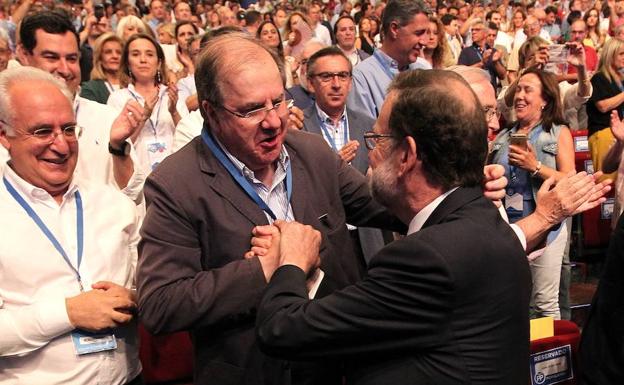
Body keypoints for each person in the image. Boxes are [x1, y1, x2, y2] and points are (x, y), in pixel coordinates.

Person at [255, 69, 533, 384]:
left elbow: (281, 329)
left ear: (406, 156)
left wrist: (291, 259)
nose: (372, 154)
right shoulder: (483, 217)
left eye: (379, 139)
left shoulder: (425, 258)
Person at [0, 66, 141, 385]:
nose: (61, 146)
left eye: (67, 129)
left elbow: (149, 287)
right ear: (4, 135)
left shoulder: (115, 205)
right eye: (41, 132)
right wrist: (66, 314)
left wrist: (134, 298)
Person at [15, 11, 145, 201]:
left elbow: (134, 195)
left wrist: (118, 149)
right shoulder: (8, 120)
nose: (65, 69)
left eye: (71, 59)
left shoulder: (107, 118)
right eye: (51, 57)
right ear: (24, 55)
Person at [490, 68, 575, 319]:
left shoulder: (558, 132)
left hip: (547, 227)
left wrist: (535, 167)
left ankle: (553, 358)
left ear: (545, 99)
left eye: (528, 90)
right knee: (515, 300)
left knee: (543, 303)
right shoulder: (503, 136)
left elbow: (570, 181)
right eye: (518, 88)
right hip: (509, 228)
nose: (520, 95)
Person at [301, 46, 385, 262]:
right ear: (311, 83)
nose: (336, 84)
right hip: (325, 244)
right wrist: (332, 166)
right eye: (326, 76)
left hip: (367, 238)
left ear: (350, 82)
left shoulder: (369, 125)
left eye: (343, 76)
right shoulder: (299, 129)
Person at [107, 33, 180, 176]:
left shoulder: (173, 94)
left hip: (176, 176)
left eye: (149, 54)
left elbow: (189, 139)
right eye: (135, 54)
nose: (143, 60)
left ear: (159, 63)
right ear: (127, 62)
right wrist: (144, 116)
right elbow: (117, 147)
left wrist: (174, 112)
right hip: (136, 177)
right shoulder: (118, 98)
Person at [347, 0, 431, 120]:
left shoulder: (424, 70)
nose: (424, 41)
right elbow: (366, 134)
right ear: (394, 29)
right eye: (418, 33)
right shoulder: (361, 78)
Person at [587, 37, 624, 181]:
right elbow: (602, 106)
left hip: (620, 134)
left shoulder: (621, 79)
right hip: (603, 133)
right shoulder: (599, 78)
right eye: (621, 54)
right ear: (610, 54)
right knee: (607, 181)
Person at [80, 32, 123, 104]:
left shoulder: (133, 86)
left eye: (119, 52)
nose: (115, 56)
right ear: (99, 58)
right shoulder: (90, 88)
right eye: (108, 52)